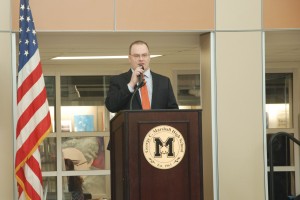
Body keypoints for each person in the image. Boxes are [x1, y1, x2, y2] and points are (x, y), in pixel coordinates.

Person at [105, 40, 179, 113]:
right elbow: (111, 106)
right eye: (136, 56)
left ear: (149, 57)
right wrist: (131, 85)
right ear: (129, 58)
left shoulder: (164, 81)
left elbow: (174, 111)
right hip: (131, 124)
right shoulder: (118, 80)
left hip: (158, 125)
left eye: (144, 55)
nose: (141, 59)